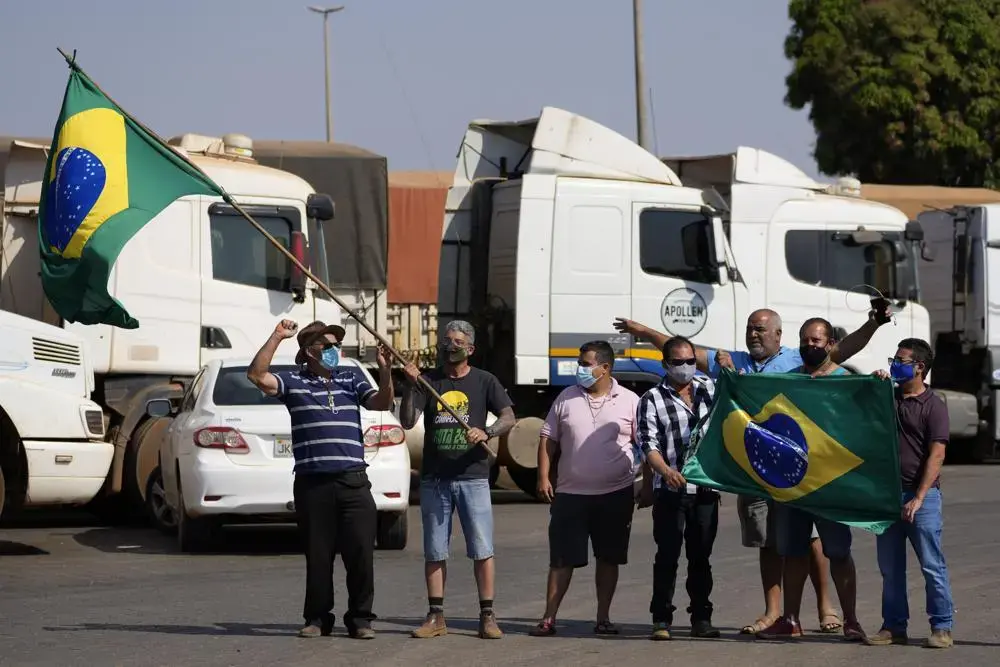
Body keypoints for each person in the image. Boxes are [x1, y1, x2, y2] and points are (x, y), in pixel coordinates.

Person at [614, 306, 889, 634]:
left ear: (779, 335)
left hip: (811, 477)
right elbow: (682, 352)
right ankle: (780, 616)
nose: (754, 334)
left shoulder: (803, 364)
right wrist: (643, 331)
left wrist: (874, 331)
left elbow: (844, 350)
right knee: (776, 544)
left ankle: (830, 609)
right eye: (750, 328)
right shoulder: (737, 362)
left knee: (823, 546)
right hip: (758, 473)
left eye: (761, 329)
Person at [246, 319, 394, 640]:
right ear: (309, 351)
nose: (333, 351)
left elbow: (382, 403)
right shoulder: (293, 381)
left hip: (353, 481)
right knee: (318, 556)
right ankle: (317, 618)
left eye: (336, 345)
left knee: (360, 554)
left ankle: (361, 619)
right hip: (313, 484)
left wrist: (385, 371)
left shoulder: (350, 378)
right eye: (326, 346)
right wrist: (277, 336)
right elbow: (257, 375)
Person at [399, 320, 516, 640]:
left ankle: (487, 616)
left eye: (458, 342)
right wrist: (410, 385)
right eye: (447, 340)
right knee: (435, 550)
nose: (450, 346)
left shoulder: (485, 380)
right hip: (435, 479)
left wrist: (487, 431)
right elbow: (407, 421)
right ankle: (436, 616)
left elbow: (509, 417)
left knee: (482, 549)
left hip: (473, 477)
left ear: (471, 349)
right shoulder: (428, 381)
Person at [757, 318, 864, 641]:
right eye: (805, 340)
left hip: (831, 486)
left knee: (839, 553)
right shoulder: (790, 381)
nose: (809, 345)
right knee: (793, 552)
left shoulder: (847, 382)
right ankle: (791, 620)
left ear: (830, 344)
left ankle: (851, 620)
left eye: (816, 340)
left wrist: (879, 382)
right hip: (794, 485)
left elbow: (864, 425)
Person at [529, 341, 641, 637]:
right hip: (570, 495)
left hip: (616, 494)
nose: (579, 368)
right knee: (561, 559)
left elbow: (646, 443)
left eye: (585, 363)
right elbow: (548, 438)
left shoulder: (630, 400)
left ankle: (603, 618)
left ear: (605, 368)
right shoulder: (566, 397)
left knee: (609, 558)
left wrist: (650, 485)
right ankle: (548, 618)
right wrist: (543, 477)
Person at [865, 339, 954, 649]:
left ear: (919, 367)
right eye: (893, 359)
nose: (894, 365)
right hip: (888, 497)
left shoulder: (934, 406)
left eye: (900, 361)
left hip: (922, 499)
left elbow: (937, 455)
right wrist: (873, 385)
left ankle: (941, 627)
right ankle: (893, 626)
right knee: (890, 568)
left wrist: (919, 497)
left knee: (931, 564)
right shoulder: (887, 397)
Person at [635, 336, 721, 641]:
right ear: (665, 364)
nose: (684, 367)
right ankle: (661, 618)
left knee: (701, 557)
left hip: (706, 488)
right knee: (667, 556)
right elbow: (648, 444)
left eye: (689, 361)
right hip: (671, 489)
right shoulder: (651, 399)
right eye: (677, 362)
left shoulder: (710, 389)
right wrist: (665, 472)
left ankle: (701, 618)